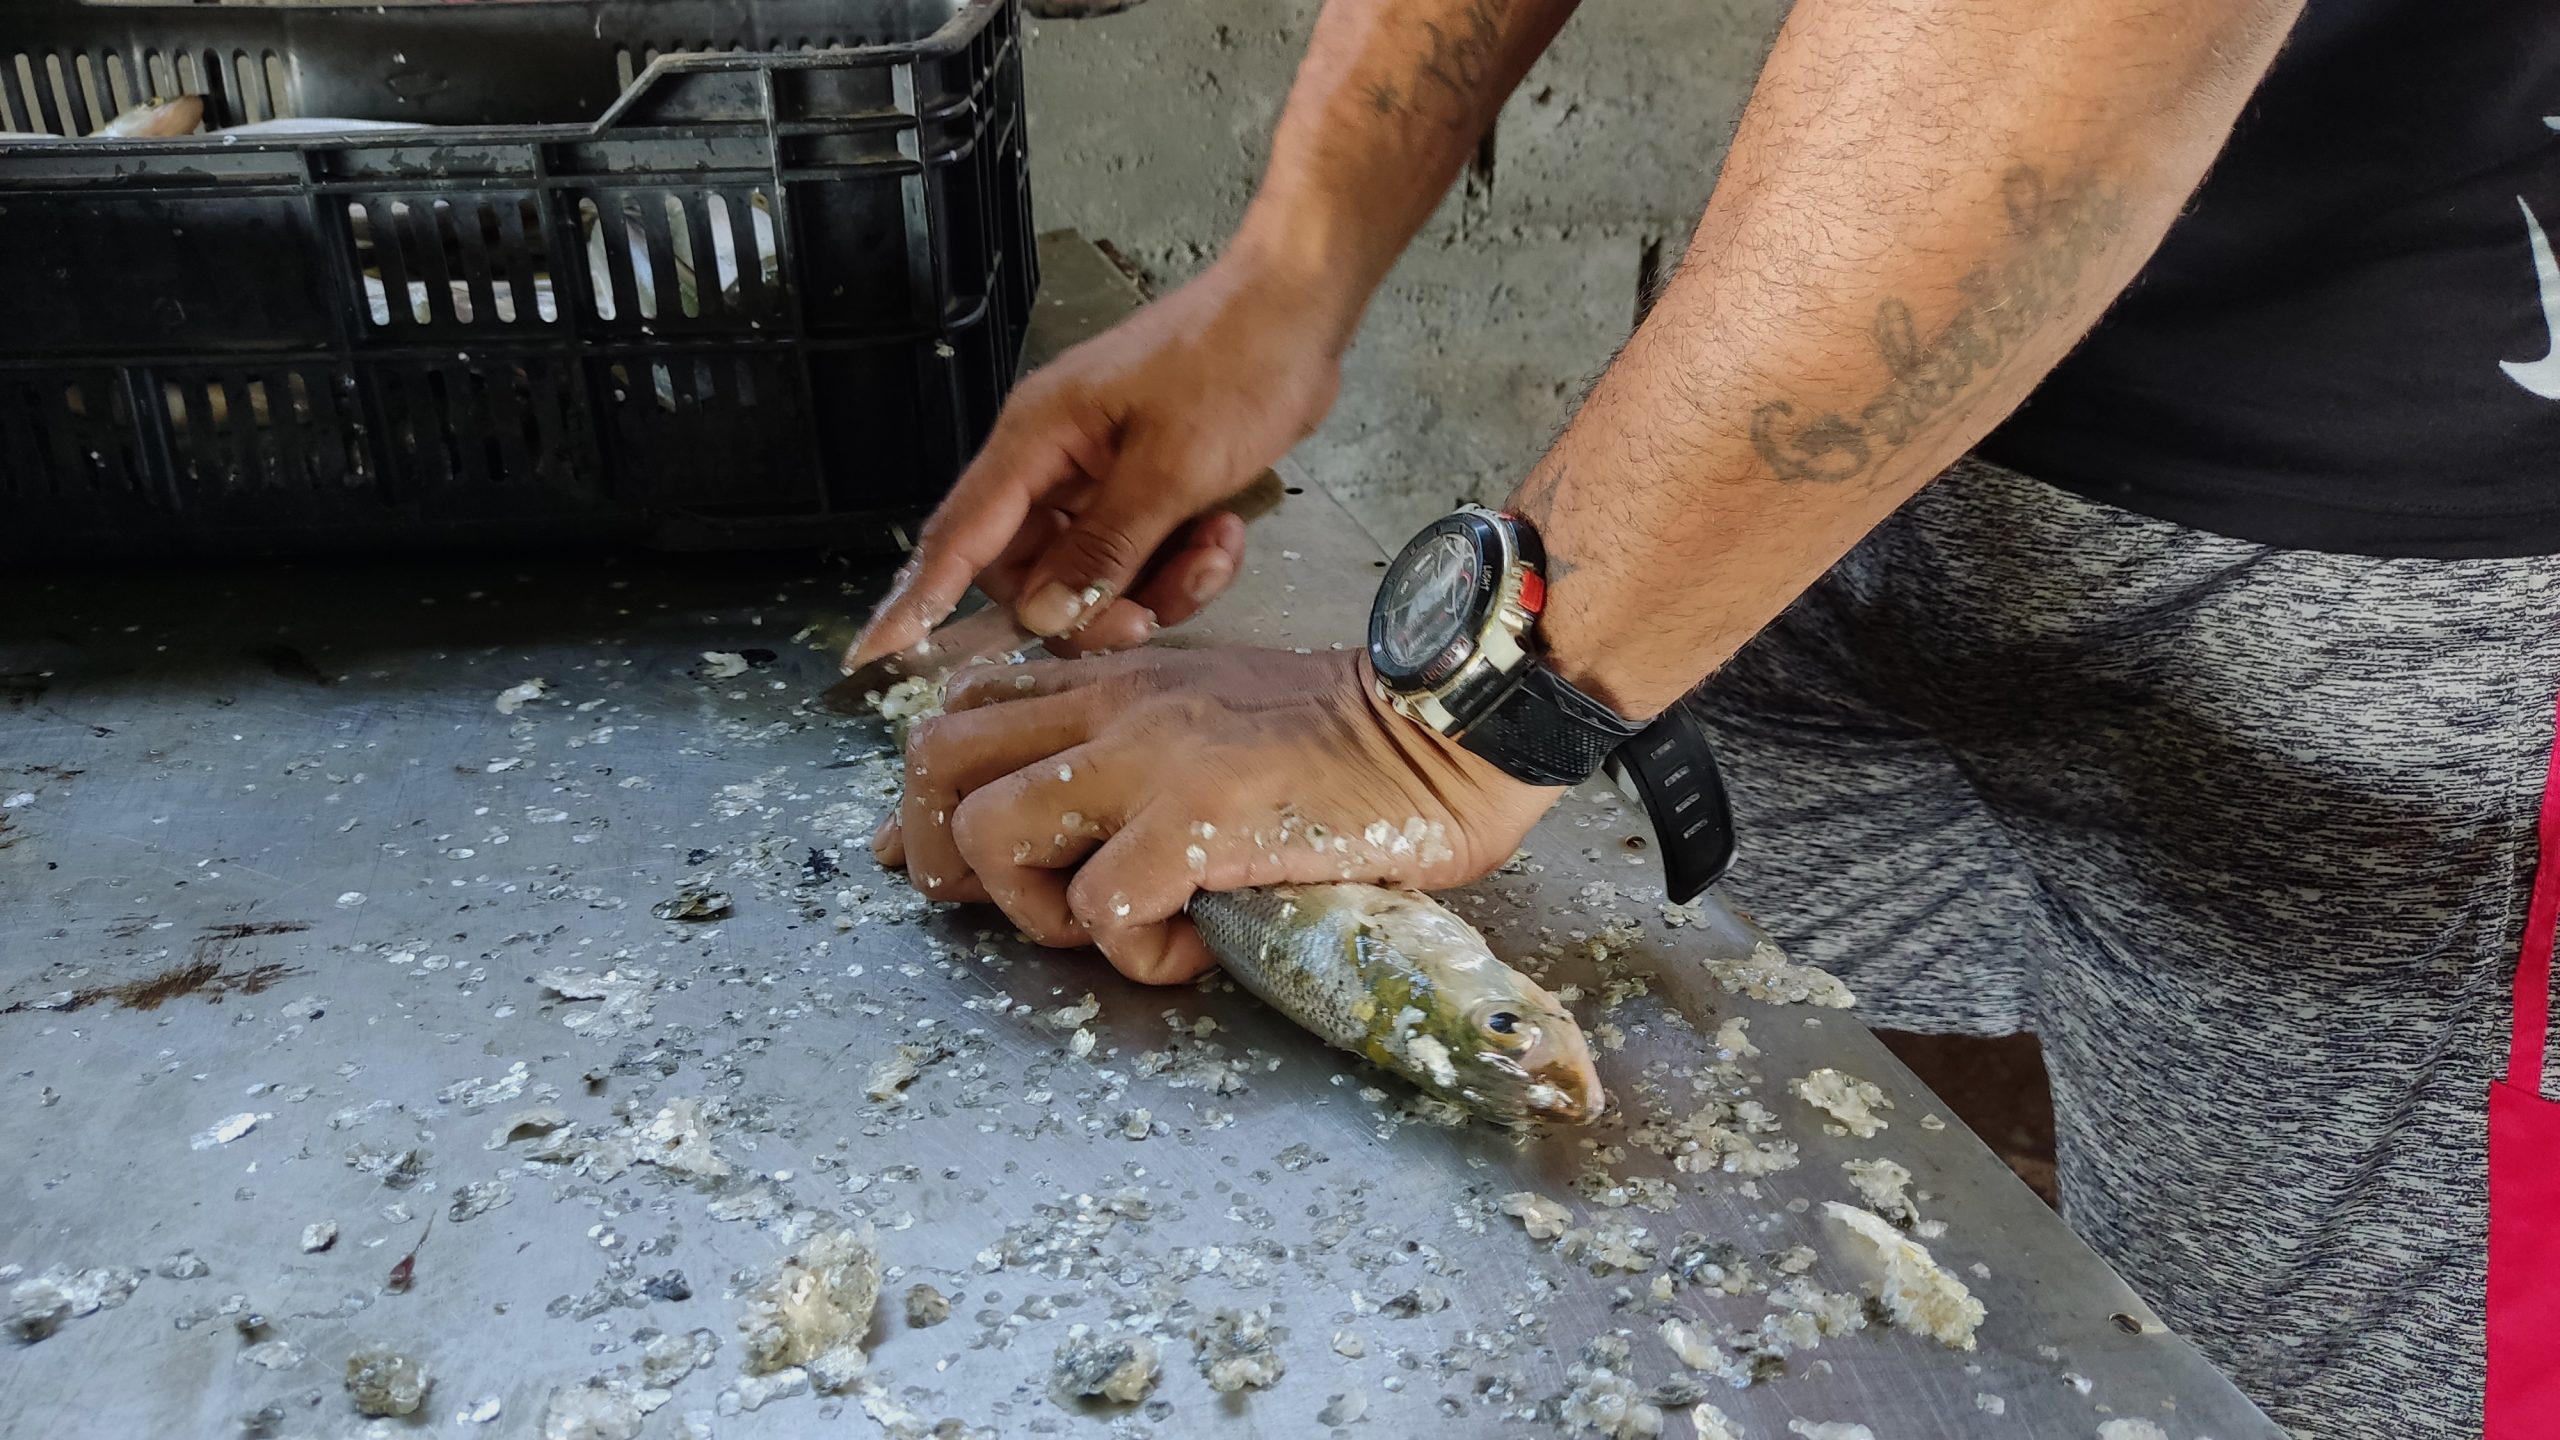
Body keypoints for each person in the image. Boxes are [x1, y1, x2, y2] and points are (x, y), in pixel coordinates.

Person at [842, 1, 2560, 1434]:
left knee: (2296, 1392)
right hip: (1850, 439)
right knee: (1707, 1224)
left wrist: (1437, 727)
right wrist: (1294, 265)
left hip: (2423, 577)